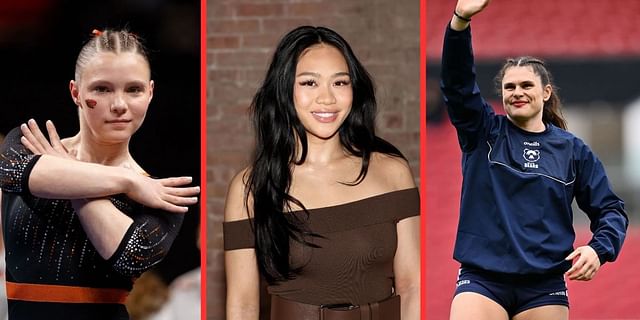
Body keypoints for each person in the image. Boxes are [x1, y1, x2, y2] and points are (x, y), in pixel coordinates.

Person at [440, 1, 629, 319]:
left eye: (526, 85)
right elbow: (457, 85)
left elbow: (611, 210)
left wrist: (598, 250)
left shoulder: (573, 151)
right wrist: (460, 21)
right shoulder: (483, 131)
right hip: (482, 280)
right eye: (508, 87)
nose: (517, 92)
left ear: (545, 93)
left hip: (544, 287)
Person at [0, 29, 200, 320]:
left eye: (133, 89)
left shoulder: (161, 195)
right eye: (102, 89)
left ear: (151, 93)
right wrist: (128, 181)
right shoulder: (26, 142)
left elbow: (130, 257)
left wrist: (70, 176)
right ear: (76, 92)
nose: (119, 105)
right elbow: (16, 173)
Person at [223, 26, 420, 320]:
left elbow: (413, 285)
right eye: (309, 83)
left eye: (340, 83)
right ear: (284, 90)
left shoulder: (393, 171)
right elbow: (242, 306)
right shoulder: (250, 188)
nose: (327, 98)